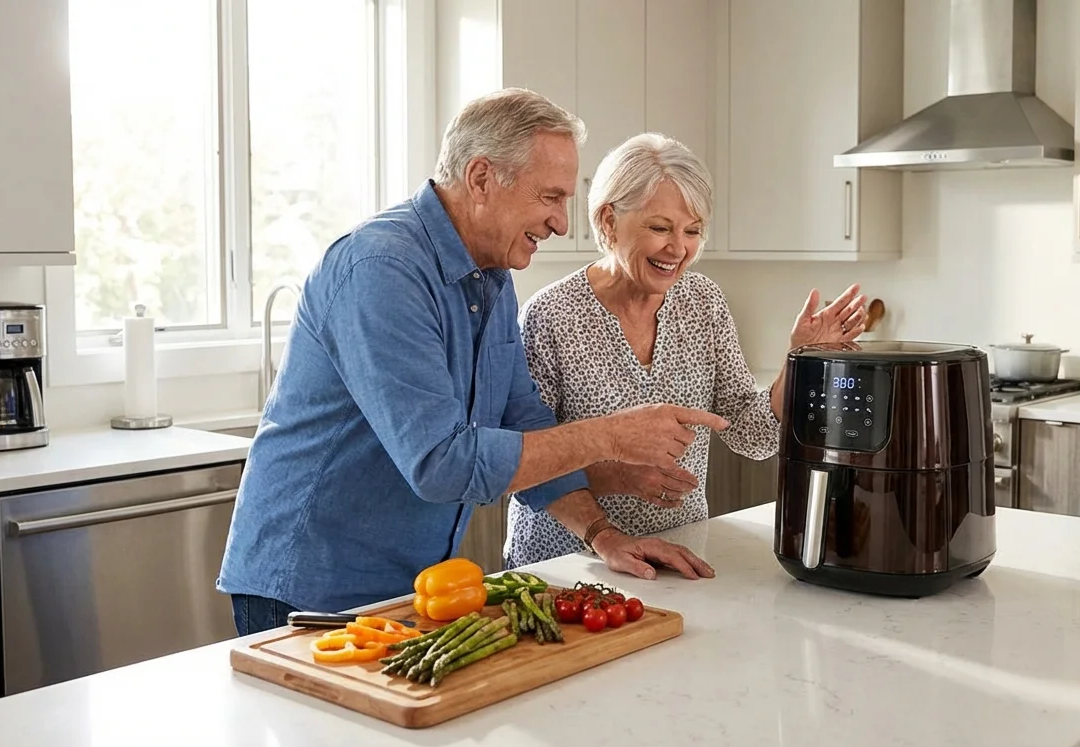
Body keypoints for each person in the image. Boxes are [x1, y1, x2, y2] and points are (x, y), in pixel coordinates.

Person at [216, 90, 727, 636]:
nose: (559, 222)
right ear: (482, 178)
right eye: (550, 197)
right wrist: (610, 436)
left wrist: (604, 535)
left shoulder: (492, 276)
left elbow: (520, 419)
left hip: (411, 585)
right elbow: (442, 462)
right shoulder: (382, 269)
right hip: (310, 585)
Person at [504, 132, 866, 568]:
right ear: (607, 221)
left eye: (693, 230)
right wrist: (616, 476)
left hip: (680, 552)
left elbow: (752, 436)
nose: (679, 248)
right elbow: (524, 465)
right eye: (660, 228)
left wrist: (799, 361)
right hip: (566, 565)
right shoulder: (551, 316)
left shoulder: (705, 303)